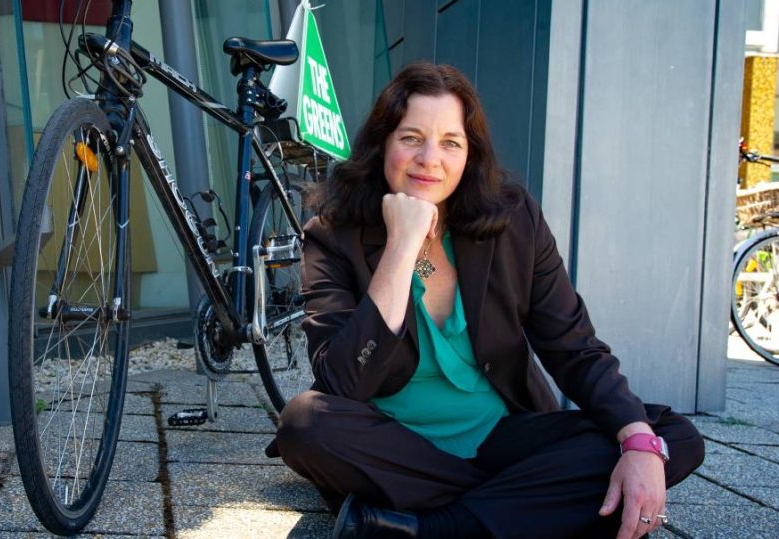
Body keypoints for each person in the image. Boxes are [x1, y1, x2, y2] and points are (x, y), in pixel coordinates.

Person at [271, 62, 704, 539]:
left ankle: (437, 528)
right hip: (393, 446)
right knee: (305, 424)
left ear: (470, 155)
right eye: (411, 137)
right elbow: (341, 384)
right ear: (382, 145)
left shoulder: (514, 221)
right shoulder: (333, 235)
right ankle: (529, 508)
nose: (429, 159)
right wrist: (399, 247)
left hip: (500, 437)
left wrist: (637, 442)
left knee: (669, 437)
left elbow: (573, 346)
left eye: (450, 143)